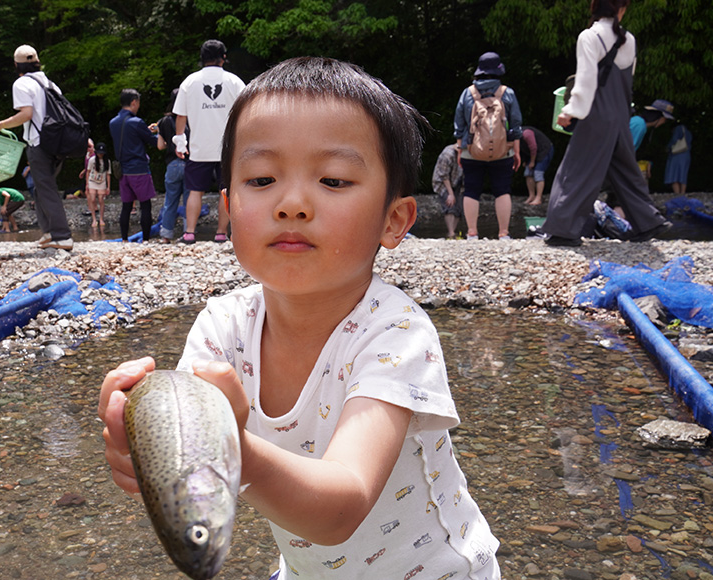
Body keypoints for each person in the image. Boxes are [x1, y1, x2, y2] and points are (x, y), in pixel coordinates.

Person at [99, 57, 500, 579]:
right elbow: (190, 443)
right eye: (262, 178)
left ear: (394, 219)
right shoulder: (223, 327)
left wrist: (235, 450)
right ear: (227, 207)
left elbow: (342, 505)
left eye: (333, 180)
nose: (291, 204)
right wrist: (146, 443)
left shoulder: (396, 333)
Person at [543, 0, 671, 246]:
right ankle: (649, 222)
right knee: (625, 171)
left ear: (595, 8)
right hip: (621, 115)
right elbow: (626, 81)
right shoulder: (629, 40)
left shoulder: (589, 37)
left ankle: (563, 230)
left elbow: (586, 81)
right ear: (620, 10)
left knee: (576, 170)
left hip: (596, 117)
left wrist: (570, 111)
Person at [0, 45, 73, 251]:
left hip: (39, 143)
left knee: (46, 188)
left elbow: (26, 114)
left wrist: (0, 126)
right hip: (57, 143)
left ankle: (62, 236)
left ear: (16, 65)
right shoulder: (50, 83)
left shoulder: (22, 83)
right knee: (41, 189)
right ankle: (49, 233)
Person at [172, 39, 245, 244]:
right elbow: (247, 112)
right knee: (226, 190)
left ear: (202, 58)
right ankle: (221, 233)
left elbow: (180, 116)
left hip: (198, 148)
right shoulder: (234, 82)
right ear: (223, 58)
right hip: (228, 148)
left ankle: (189, 233)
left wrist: (180, 142)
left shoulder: (189, 82)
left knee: (195, 190)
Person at [453, 52, 522, 240]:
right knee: (502, 190)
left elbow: (459, 125)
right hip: (502, 151)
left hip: (472, 150)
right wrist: (515, 150)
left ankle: (472, 233)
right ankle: (503, 233)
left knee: (472, 189)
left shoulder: (468, 93)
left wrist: (460, 149)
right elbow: (515, 125)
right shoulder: (507, 93)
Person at [109, 88, 160, 242]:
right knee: (145, 205)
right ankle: (145, 239)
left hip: (123, 170)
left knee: (126, 205)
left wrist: (145, 130)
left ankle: (124, 239)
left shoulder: (113, 123)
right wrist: (157, 132)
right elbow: (153, 141)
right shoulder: (137, 122)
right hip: (139, 169)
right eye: (138, 103)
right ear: (133, 102)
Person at [156, 89, 186, 243]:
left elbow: (160, 146)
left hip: (172, 164)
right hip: (190, 163)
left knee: (170, 201)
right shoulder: (191, 118)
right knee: (189, 200)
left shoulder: (163, 122)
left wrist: (170, 142)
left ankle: (166, 236)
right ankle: (189, 233)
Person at [431, 144, 464, 239]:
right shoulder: (447, 154)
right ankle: (451, 233)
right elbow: (444, 176)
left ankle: (453, 232)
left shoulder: (467, 154)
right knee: (449, 205)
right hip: (442, 182)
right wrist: (450, 194)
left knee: (459, 207)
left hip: (456, 181)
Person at [520, 126, 553, 205]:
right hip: (533, 154)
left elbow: (533, 147)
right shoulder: (515, 137)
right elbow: (522, 149)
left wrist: (532, 161)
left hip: (544, 150)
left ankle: (538, 198)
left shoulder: (526, 134)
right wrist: (525, 161)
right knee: (528, 173)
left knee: (538, 173)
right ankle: (531, 196)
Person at [85, 142, 111, 227]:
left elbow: (108, 174)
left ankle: (101, 218)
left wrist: (108, 187)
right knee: (92, 199)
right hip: (92, 181)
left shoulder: (107, 161)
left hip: (102, 182)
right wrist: (87, 184)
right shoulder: (92, 160)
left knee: (101, 200)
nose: (100, 154)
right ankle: (94, 219)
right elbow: (88, 172)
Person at [665, 121, 692, 194]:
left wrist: (668, 147)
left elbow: (674, 140)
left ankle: (677, 193)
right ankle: (683, 193)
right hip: (686, 155)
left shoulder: (678, 129)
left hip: (677, 155)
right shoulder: (688, 132)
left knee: (674, 174)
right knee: (683, 174)